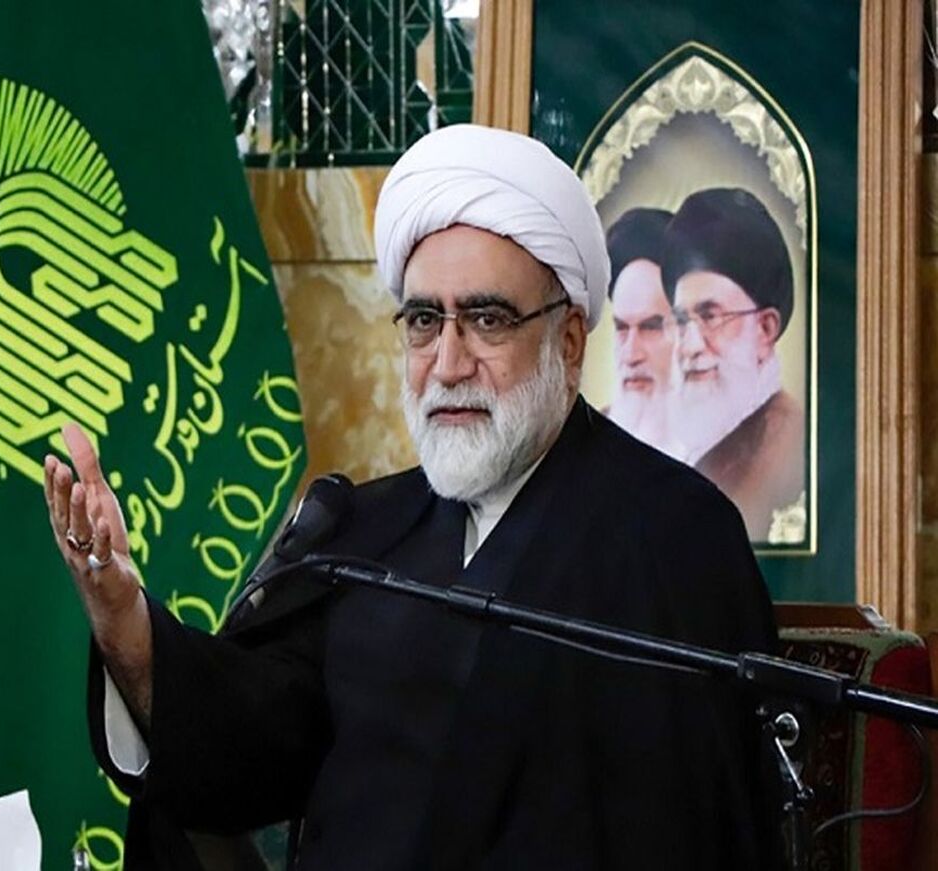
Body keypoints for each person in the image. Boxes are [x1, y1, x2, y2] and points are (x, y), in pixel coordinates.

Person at [44, 125, 779, 870]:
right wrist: (124, 618)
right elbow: (249, 744)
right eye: (425, 321)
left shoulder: (675, 535)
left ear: (567, 342)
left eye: (487, 320)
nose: (448, 363)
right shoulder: (366, 531)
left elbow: (698, 825)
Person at [661, 187, 805, 541]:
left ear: (765, 329)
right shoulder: (707, 446)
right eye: (682, 321)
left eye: (710, 316)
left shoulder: (786, 451)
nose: (690, 346)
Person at [603, 207, 682, 458]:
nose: (631, 355)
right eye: (622, 328)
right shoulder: (585, 441)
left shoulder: (735, 449)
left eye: (650, 327)